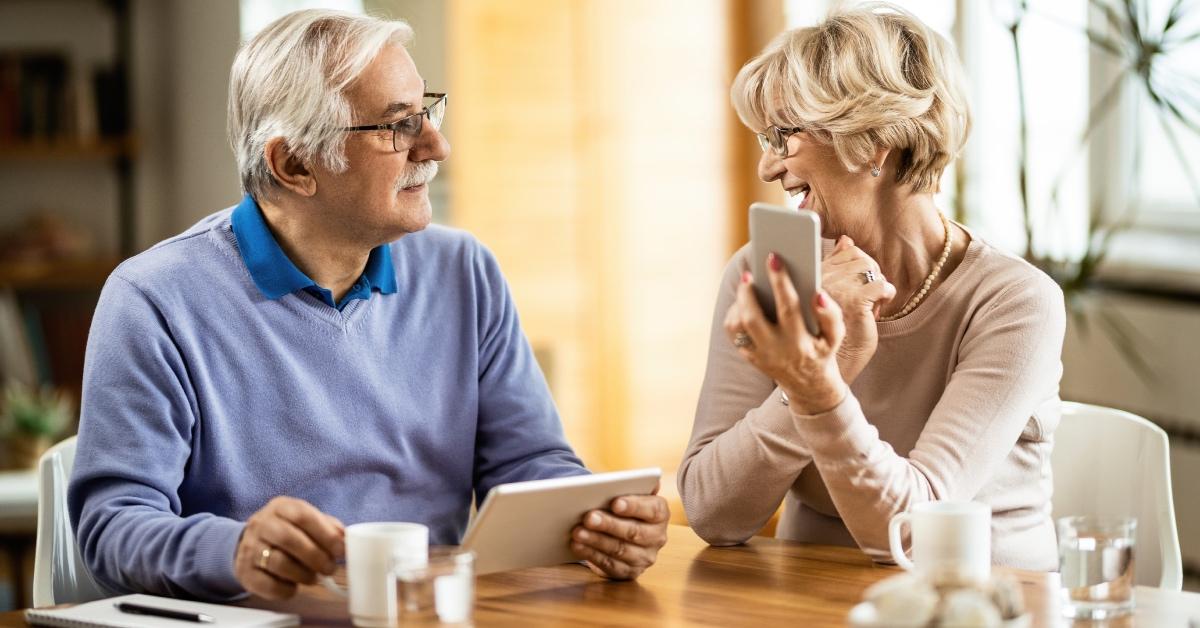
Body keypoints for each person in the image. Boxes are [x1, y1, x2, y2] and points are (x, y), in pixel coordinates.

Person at [70, 9, 668, 602]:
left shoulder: (465, 271)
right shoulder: (153, 298)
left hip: (427, 614)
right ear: (294, 164)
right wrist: (234, 551)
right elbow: (112, 525)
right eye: (396, 125)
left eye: (426, 111)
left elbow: (530, 464)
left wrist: (603, 523)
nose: (437, 145)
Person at [678, 3, 1065, 571]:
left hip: (978, 602)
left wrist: (818, 384)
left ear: (873, 140)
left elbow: (914, 536)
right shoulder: (765, 275)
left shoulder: (1015, 301)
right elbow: (714, 514)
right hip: (809, 604)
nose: (767, 166)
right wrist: (807, 375)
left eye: (784, 134)